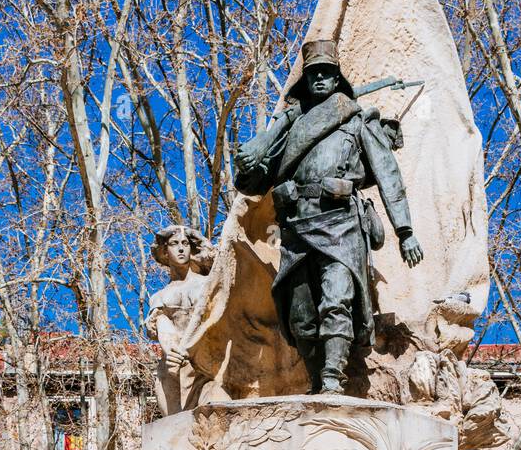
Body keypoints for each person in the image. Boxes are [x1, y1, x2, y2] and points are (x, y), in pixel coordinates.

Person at [235, 38, 422, 394]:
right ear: (305, 81)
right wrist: (246, 166)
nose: (320, 79)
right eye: (314, 74)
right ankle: (317, 378)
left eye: (326, 73)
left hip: (341, 226)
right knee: (300, 316)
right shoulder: (288, 129)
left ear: (337, 79)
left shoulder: (356, 121)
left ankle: (334, 379)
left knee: (337, 300)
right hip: (296, 231)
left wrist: (405, 231)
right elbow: (254, 181)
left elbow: (388, 174)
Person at [146, 225, 215, 415]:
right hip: (174, 368)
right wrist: (170, 349)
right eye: (175, 244)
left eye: (185, 243)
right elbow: (160, 323)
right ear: (165, 252)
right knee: (174, 427)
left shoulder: (208, 284)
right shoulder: (160, 296)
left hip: (207, 364)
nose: (181, 248)